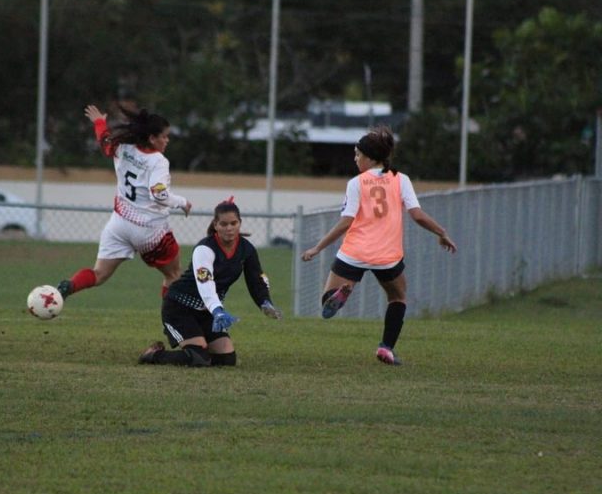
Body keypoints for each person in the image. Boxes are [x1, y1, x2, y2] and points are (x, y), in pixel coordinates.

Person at [301, 125, 457, 366]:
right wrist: (441, 232)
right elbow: (417, 215)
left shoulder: (357, 183)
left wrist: (317, 248)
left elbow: (346, 222)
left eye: (357, 155)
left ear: (371, 158)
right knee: (398, 298)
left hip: (354, 252)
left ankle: (342, 292)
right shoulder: (400, 179)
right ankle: (386, 348)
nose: (355, 159)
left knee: (326, 302)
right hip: (388, 256)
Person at [56, 103, 192, 302]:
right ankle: (172, 323)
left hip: (119, 224)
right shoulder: (158, 161)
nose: (167, 140)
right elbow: (159, 194)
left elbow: (104, 141)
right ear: (152, 138)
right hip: (150, 230)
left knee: (99, 273)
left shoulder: (123, 146)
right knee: (173, 275)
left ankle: (70, 285)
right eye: (164, 136)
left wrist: (100, 122)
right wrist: (182, 202)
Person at [138, 197, 282, 367]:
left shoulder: (246, 249)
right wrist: (218, 311)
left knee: (227, 360)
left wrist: (265, 302)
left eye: (233, 223)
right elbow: (205, 285)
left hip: (207, 311)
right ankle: (154, 355)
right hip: (179, 308)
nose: (229, 228)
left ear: (240, 223)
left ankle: (197, 352)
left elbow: (256, 279)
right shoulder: (204, 249)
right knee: (199, 358)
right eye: (224, 224)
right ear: (215, 225)